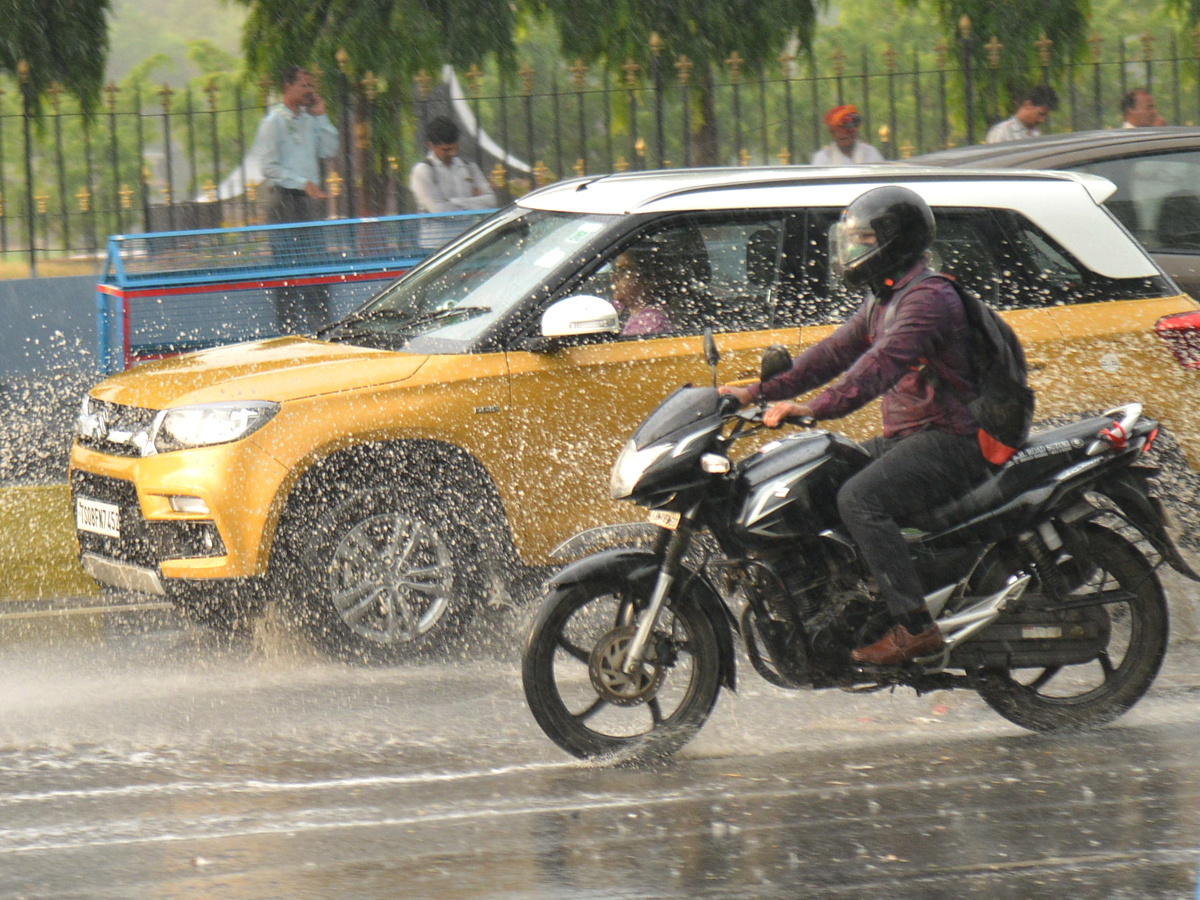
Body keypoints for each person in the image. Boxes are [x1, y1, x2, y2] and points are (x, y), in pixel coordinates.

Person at [720, 186, 995, 666]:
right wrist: (755, 393)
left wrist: (812, 409)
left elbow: (878, 367)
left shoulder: (927, 299)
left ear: (895, 241)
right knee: (827, 475)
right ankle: (854, 600)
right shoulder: (886, 298)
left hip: (957, 438)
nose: (853, 251)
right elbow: (832, 353)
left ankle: (915, 627)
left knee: (859, 498)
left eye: (864, 239)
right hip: (916, 436)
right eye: (851, 241)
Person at [252, 65, 339, 333]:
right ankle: (288, 330)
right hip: (284, 201)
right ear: (287, 87)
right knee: (288, 269)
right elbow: (268, 168)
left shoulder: (311, 120)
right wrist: (302, 183)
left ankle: (321, 327)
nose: (309, 90)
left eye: (311, 86)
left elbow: (330, 149)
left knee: (316, 266)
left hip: (309, 203)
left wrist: (322, 116)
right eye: (303, 85)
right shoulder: (273, 122)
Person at [612, 248, 673, 336]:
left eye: (624, 271)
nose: (613, 278)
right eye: (616, 271)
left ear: (648, 280)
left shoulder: (651, 322)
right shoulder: (620, 307)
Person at [811, 105, 885, 166]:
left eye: (848, 133)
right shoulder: (823, 157)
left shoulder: (870, 153)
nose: (844, 135)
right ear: (832, 133)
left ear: (855, 133)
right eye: (839, 131)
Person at [986, 84, 1058, 143]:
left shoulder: (1036, 133)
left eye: (1045, 116)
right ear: (1028, 104)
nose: (1042, 120)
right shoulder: (1002, 131)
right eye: (1040, 114)